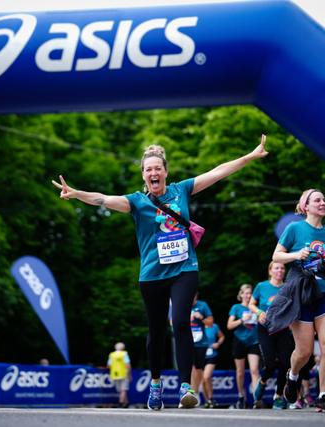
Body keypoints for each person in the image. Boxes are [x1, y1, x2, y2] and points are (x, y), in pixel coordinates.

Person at [52, 135, 269, 410]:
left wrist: (249, 157)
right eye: (148, 169)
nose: (153, 173)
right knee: (156, 331)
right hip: (152, 275)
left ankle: (186, 387)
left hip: (184, 269)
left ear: (165, 171)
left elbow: (217, 172)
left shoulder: (181, 191)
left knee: (180, 322)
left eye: (158, 168)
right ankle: (155, 384)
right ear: (143, 175)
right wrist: (77, 193)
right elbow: (103, 199)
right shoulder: (136, 202)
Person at [269, 188, 325, 413]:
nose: (323, 203)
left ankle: (324, 395)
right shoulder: (295, 228)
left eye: (324, 200)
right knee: (305, 351)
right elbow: (277, 255)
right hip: (302, 290)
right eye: (317, 200)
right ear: (305, 206)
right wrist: (296, 255)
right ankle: (293, 374)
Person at [249, 263, 293, 410]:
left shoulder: (288, 287)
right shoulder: (261, 286)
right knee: (270, 363)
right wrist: (259, 313)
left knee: (285, 363)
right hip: (265, 329)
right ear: (270, 271)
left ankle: (279, 396)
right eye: (276, 268)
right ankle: (262, 382)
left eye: (282, 268)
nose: (280, 270)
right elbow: (251, 304)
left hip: (283, 328)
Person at [228, 284, 260, 409]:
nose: (248, 296)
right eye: (245, 293)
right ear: (241, 295)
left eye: (250, 293)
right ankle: (241, 395)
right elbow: (229, 326)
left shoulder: (255, 308)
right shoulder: (236, 307)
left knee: (254, 370)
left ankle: (257, 398)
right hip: (239, 341)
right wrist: (241, 320)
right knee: (240, 372)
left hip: (254, 341)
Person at [190, 293, 213, 401]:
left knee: (197, 368)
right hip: (187, 341)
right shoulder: (183, 304)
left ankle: (195, 391)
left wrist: (201, 317)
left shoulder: (203, 305)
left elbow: (211, 323)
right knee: (191, 367)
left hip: (200, 342)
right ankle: (192, 393)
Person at [202, 321, 224, 408]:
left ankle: (211, 398)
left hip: (212, 355)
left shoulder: (214, 326)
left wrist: (218, 343)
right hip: (200, 355)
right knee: (203, 380)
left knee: (206, 376)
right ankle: (207, 400)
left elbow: (222, 337)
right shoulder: (197, 326)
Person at [107, 342, 132, 408]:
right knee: (123, 389)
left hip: (114, 374)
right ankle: (121, 403)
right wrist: (129, 374)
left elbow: (109, 365)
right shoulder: (124, 354)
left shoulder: (112, 354)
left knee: (121, 390)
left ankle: (126, 403)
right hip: (124, 374)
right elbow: (127, 365)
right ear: (123, 348)